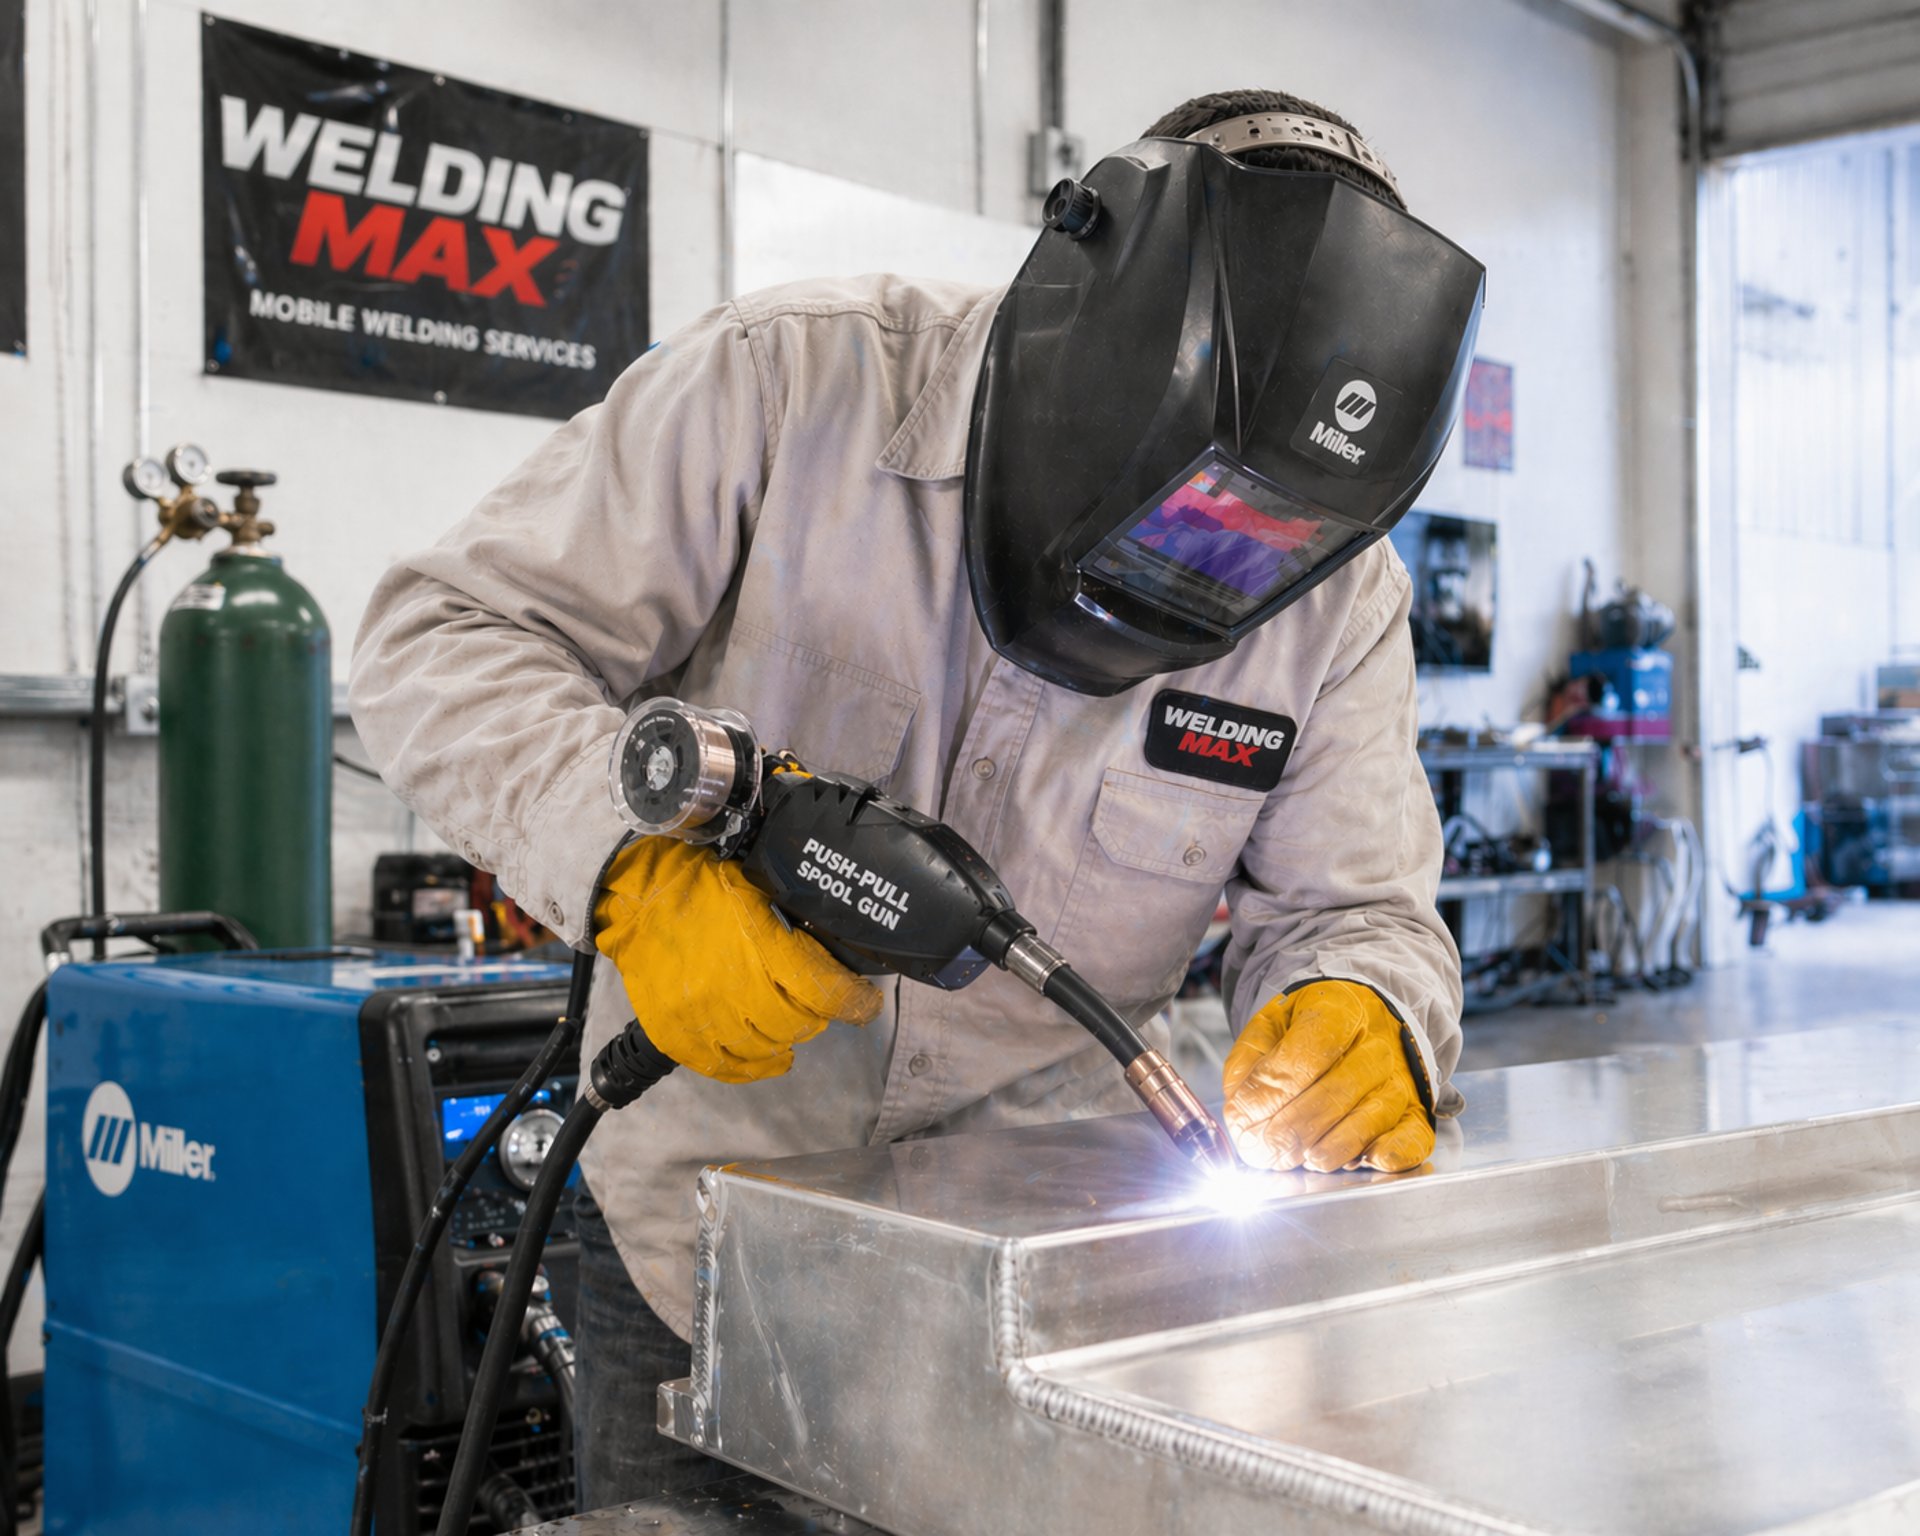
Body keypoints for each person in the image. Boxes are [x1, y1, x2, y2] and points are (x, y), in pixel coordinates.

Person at [350, 86, 1482, 1509]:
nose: (1211, 567)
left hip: (1050, 1283)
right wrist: (628, 873)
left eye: (1270, 550)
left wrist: (1365, 1004)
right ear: (1082, 322)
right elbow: (434, 639)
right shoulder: (789, 388)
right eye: (1183, 503)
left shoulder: (1339, 597)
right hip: (702, 1245)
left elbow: (1358, 904)